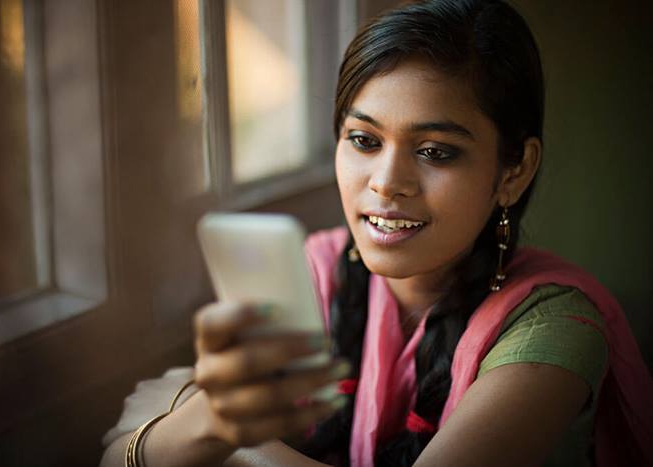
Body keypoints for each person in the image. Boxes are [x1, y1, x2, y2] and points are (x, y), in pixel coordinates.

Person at [100, 1, 653, 466]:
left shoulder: (556, 330)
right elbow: (120, 452)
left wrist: (229, 437)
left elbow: (167, 433)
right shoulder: (311, 275)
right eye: (364, 140)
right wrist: (211, 420)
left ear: (514, 171)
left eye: (436, 152)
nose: (387, 184)